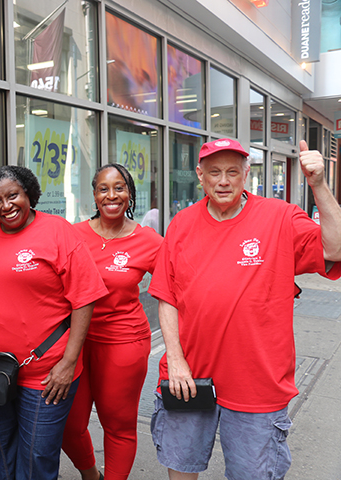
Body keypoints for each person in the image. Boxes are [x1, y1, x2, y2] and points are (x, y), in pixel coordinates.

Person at [148, 138, 341, 480]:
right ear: (200, 175)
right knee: (180, 467)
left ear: (246, 174)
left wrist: (320, 185)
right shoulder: (181, 224)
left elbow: (336, 249)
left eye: (233, 172)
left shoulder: (280, 217)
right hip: (189, 376)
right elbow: (166, 296)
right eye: (215, 172)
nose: (223, 181)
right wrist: (175, 360)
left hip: (257, 382)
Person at [0, 165, 108, 480]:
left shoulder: (57, 231)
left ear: (28, 193)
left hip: (47, 374)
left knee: (37, 458)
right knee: (2, 450)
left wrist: (68, 362)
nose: (6, 206)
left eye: (13, 195)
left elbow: (85, 298)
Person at [62, 164, 163, 480]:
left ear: (130, 194)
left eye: (119, 188)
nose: (111, 195)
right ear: (94, 195)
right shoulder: (73, 235)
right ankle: (91, 475)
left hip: (124, 342)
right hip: (73, 343)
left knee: (117, 424)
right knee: (68, 423)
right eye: (103, 189)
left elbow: (176, 289)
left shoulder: (148, 240)